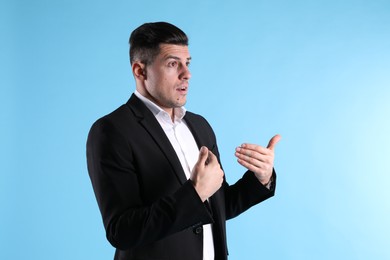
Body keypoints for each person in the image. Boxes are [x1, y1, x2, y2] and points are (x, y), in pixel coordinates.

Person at [86, 21, 281, 260]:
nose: (186, 74)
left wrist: (261, 179)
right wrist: (194, 193)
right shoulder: (111, 131)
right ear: (140, 71)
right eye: (172, 64)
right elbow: (122, 231)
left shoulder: (200, 126)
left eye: (187, 64)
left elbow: (218, 206)